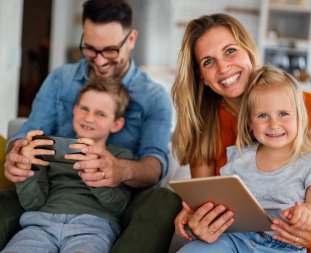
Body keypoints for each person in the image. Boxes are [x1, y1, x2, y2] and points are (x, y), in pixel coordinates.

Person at [2, 0, 181, 252]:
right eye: (89, 48)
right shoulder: (61, 79)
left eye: (109, 50)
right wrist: (17, 155)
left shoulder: (154, 97)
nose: (99, 61)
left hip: (112, 202)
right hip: (50, 197)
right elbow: (28, 135)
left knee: (164, 200)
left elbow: (155, 163)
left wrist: (120, 170)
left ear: (131, 39)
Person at [171, 13, 311, 252]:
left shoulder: (305, 109)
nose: (223, 67)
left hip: (303, 240)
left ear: (249, 50)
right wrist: (200, 221)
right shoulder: (204, 124)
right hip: (236, 239)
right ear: (201, 77)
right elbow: (208, 204)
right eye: (208, 61)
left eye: (230, 51)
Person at [178, 65, 311, 253]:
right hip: (234, 238)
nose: (274, 124)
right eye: (263, 115)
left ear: (300, 117)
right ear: (250, 123)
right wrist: (195, 209)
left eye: (283, 114)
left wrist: (305, 215)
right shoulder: (239, 157)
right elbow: (222, 203)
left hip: (284, 247)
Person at [2, 77, 133, 253]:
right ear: (74, 109)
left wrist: (96, 177)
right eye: (84, 109)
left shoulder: (120, 157)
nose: (89, 118)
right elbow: (32, 203)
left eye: (100, 114)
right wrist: (27, 171)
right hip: (40, 223)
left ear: (116, 123)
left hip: (92, 227)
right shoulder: (48, 151)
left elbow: (118, 206)